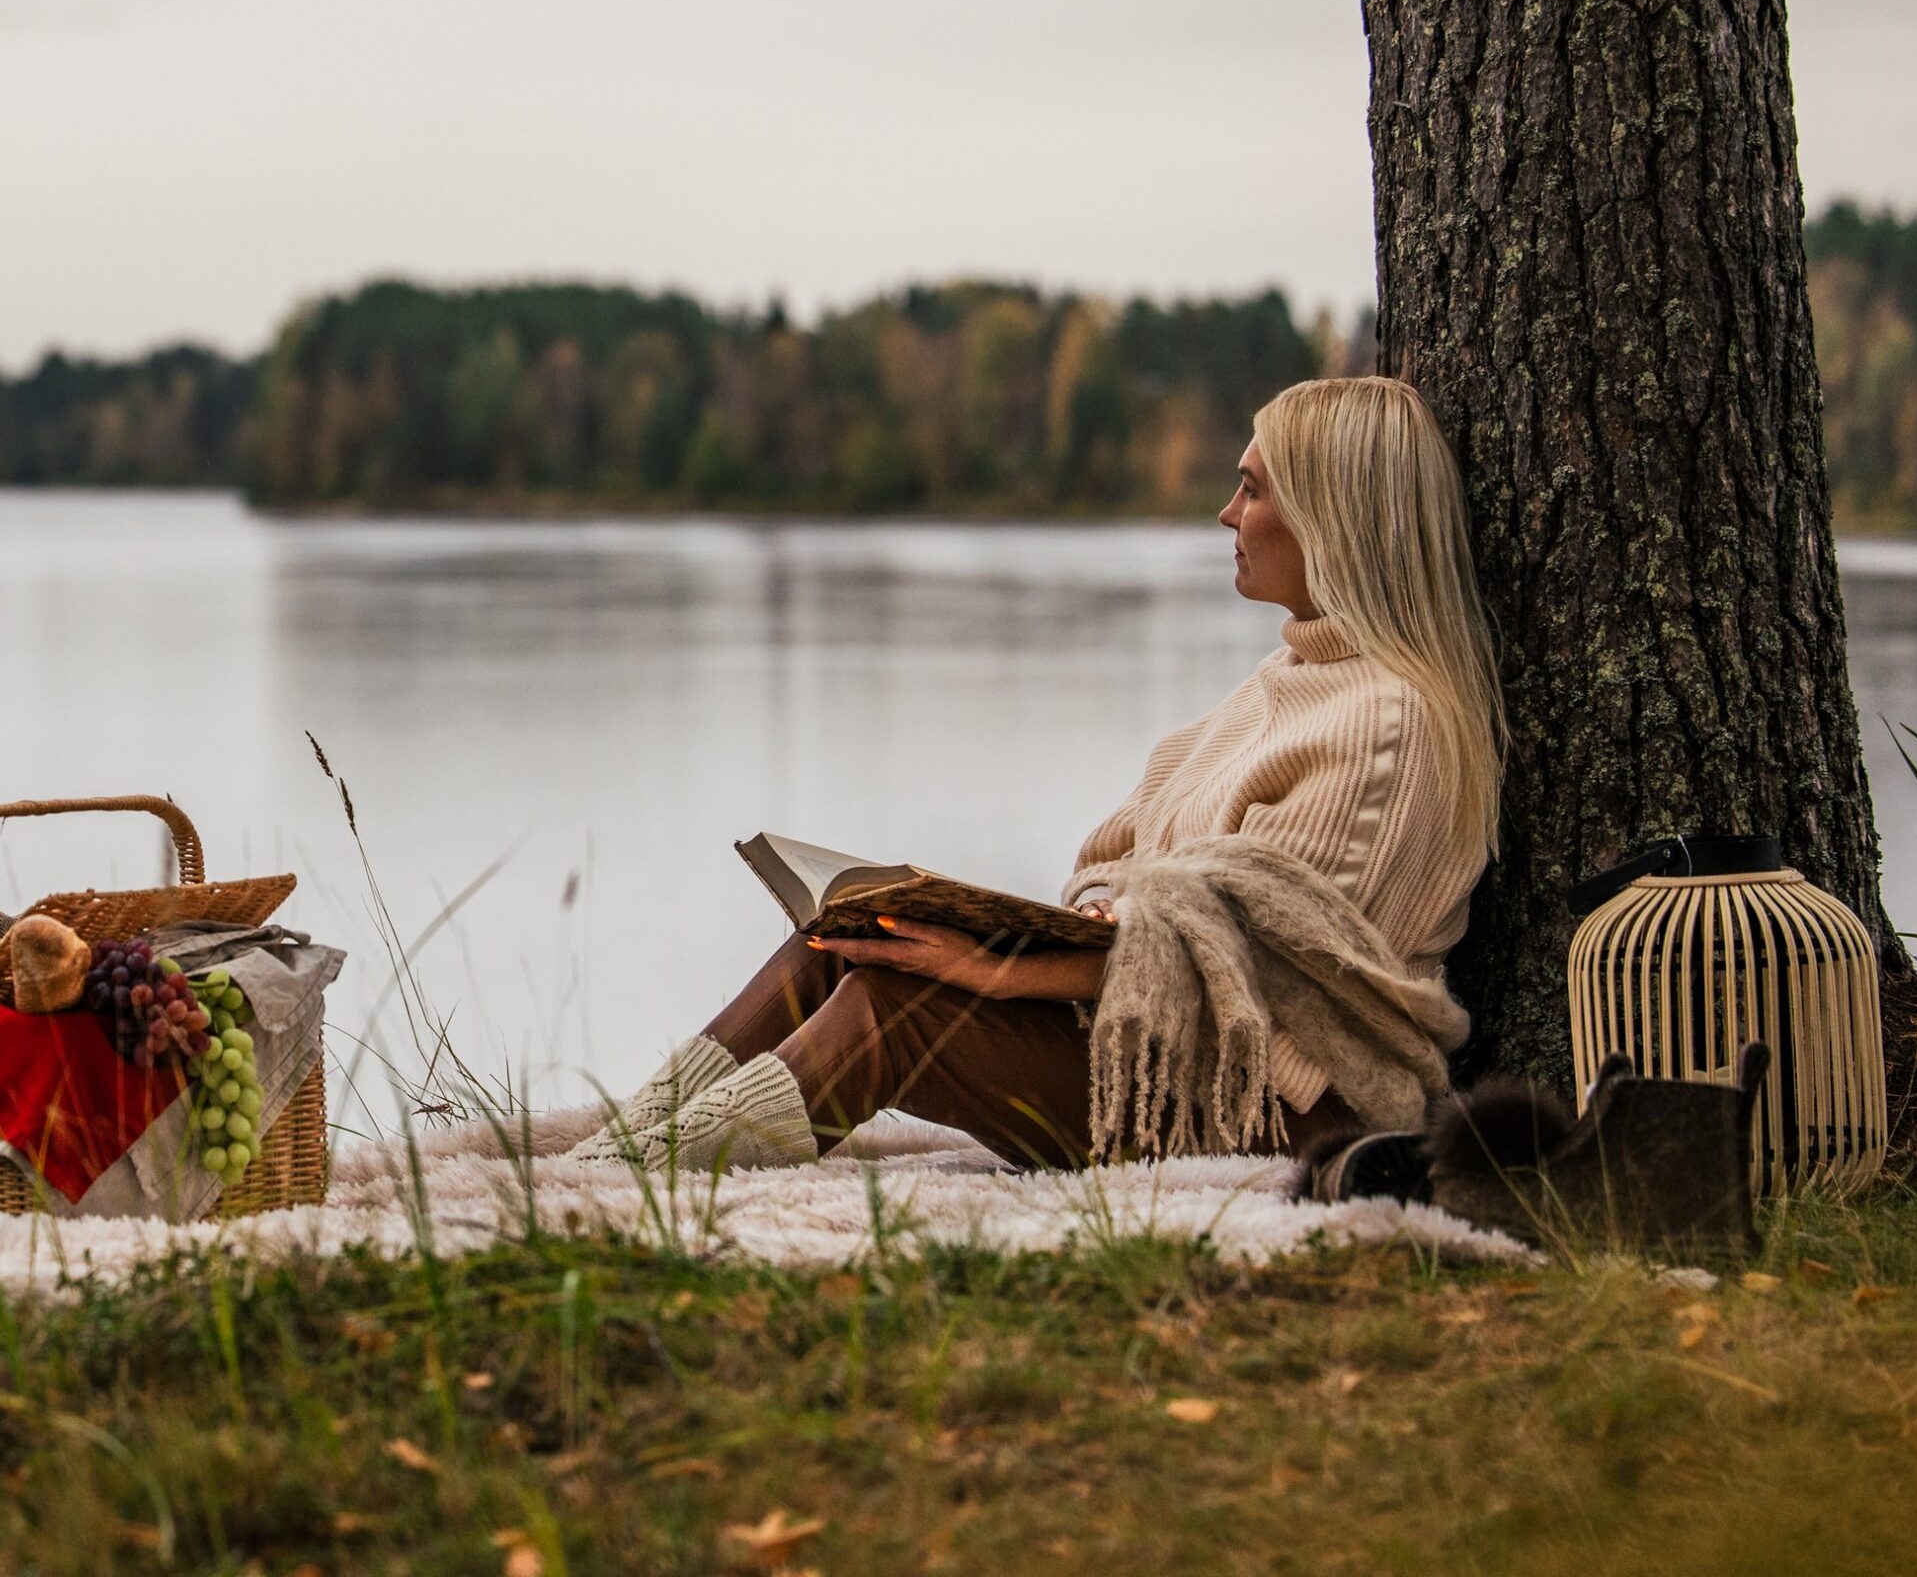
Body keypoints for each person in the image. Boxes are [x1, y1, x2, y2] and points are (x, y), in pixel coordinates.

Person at [577, 376, 1503, 1180]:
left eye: (1251, 489)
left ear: (1332, 518)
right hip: (1162, 1049)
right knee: (845, 944)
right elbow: (1121, 856)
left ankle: (645, 1185)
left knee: (893, 1007)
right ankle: (620, 1150)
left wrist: (1012, 968)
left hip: (1277, 1108)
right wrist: (1076, 924)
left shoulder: (1393, 723)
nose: (1227, 513)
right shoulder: (1283, 686)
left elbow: (1260, 961)